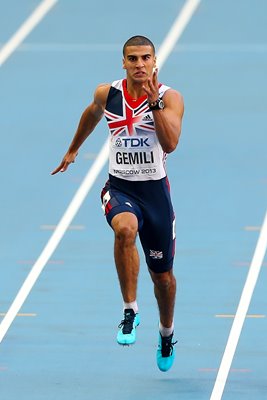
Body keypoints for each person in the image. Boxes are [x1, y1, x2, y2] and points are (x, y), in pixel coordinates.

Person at [52, 35, 184, 372]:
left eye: (145, 58)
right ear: (123, 63)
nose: (139, 64)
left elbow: (169, 144)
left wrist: (154, 106)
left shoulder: (170, 98)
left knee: (164, 279)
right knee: (124, 229)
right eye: (132, 58)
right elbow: (91, 114)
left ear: (155, 62)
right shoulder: (107, 93)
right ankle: (130, 310)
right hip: (120, 188)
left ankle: (166, 332)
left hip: (155, 195)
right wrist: (73, 148)